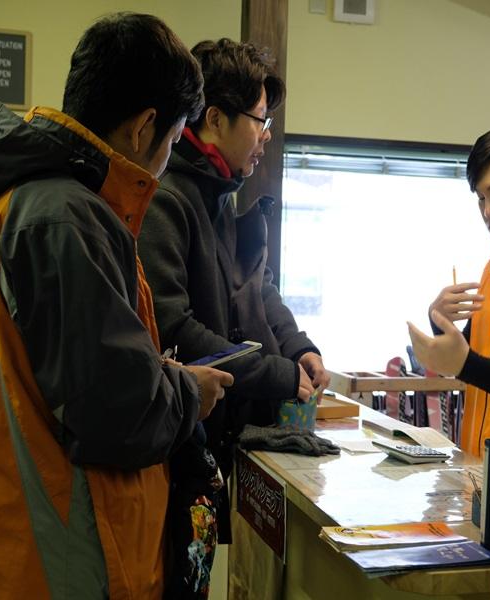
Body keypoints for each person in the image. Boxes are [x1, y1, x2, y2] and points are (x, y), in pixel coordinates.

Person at [0, 13, 234, 599]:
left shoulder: (19, 203)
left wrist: (154, 374)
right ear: (144, 127)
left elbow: (70, 381)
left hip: (22, 546)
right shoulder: (66, 219)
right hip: (64, 564)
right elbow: (116, 415)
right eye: (176, 138)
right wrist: (188, 392)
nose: (168, 157)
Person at [137, 37, 330, 562]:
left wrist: (297, 346)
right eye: (260, 120)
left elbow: (257, 286)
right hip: (170, 449)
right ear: (215, 118)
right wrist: (274, 373)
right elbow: (173, 330)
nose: (266, 136)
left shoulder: (218, 194)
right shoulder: (169, 197)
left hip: (202, 441)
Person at [408, 123, 490, 458]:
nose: (488, 211)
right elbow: (472, 355)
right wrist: (438, 321)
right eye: (481, 198)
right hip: (476, 465)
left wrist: (465, 364)